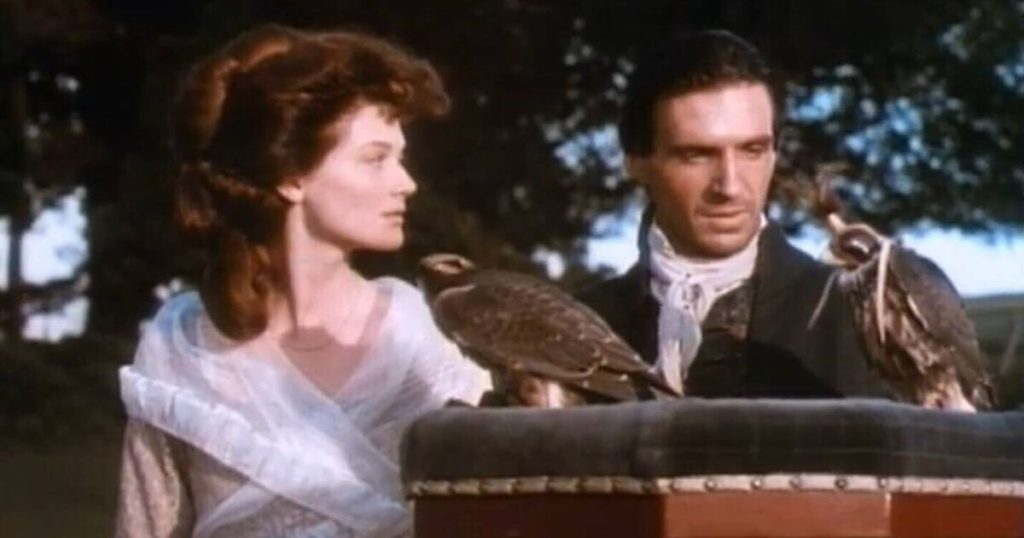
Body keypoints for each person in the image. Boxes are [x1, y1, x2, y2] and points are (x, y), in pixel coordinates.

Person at [114, 24, 489, 537]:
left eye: (399, 158)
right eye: (375, 159)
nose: (406, 183)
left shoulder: (418, 336)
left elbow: (497, 509)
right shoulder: (183, 346)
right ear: (291, 175)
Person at [578, 30, 889, 399]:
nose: (730, 187)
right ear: (636, 163)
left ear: (773, 155)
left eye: (752, 150)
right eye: (696, 155)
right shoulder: (578, 328)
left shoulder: (862, 321)